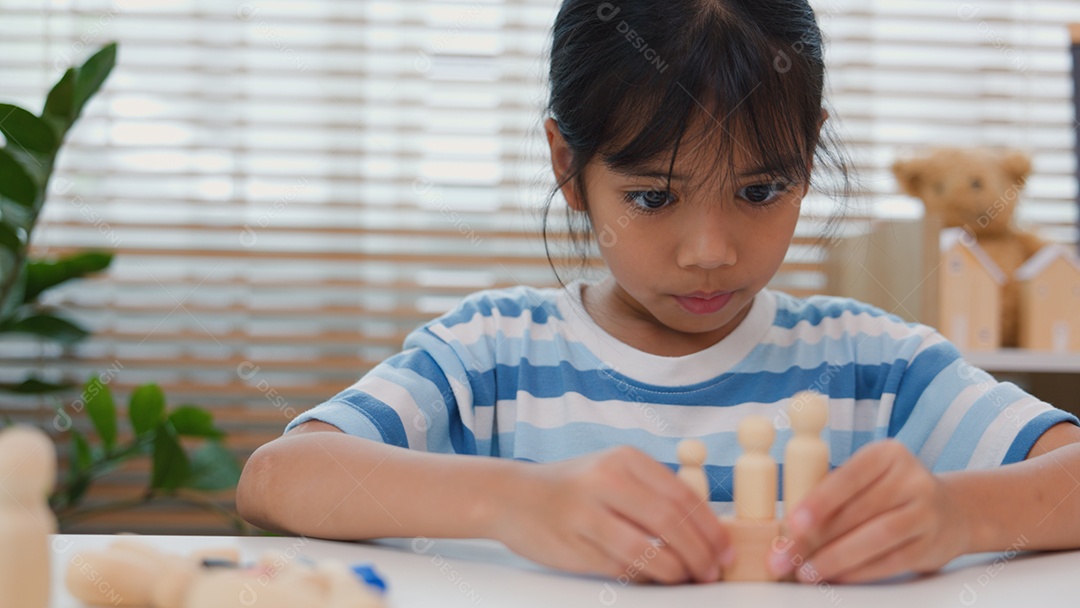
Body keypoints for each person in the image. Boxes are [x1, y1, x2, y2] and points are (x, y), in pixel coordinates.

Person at [236, 0, 1080, 586]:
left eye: (760, 192)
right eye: (652, 197)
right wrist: (511, 499)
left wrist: (957, 516)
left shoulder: (872, 366)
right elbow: (280, 479)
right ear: (569, 167)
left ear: (809, 159)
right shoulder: (491, 353)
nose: (710, 253)